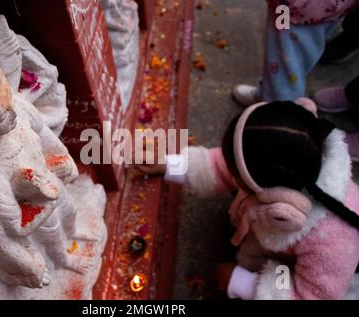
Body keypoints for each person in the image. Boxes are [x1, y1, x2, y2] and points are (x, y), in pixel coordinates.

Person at [137, 99, 359, 299]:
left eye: (237, 176)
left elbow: (307, 296)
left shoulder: (332, 242)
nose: (229, 172)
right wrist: (169, 164)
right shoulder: (286, 159)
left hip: (294, 274)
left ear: (278, 199)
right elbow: (222, 165)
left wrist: (243, 283)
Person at [233, 0, 359, 106]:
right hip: (330, 7)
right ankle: (269, 93)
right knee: (302, 53)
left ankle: (274, 108)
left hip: (293, 9)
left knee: (284, 64)